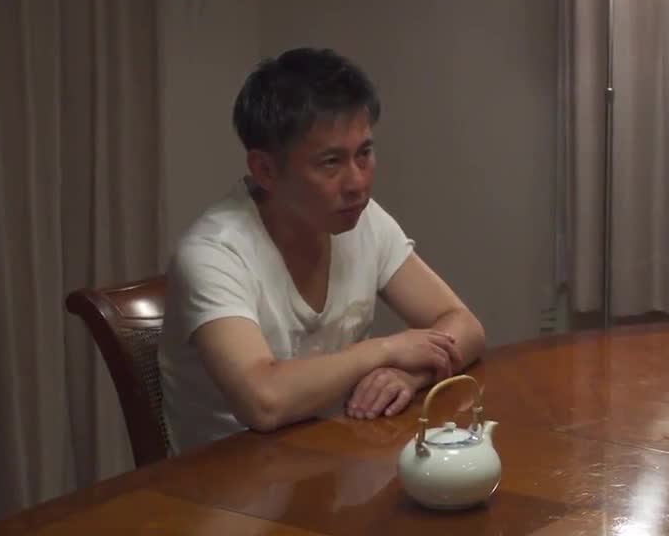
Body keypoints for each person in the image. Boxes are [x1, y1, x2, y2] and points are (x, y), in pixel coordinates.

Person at [158, 47, 486, 454]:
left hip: (340, 455)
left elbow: (464, 326)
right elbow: (264, 400)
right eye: (331, 162)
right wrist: (385, 350)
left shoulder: (363, 219)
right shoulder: (213, 254)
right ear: (265, 170)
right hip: (232, 478)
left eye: (364, 154)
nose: (357, 183)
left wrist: (409, 375)